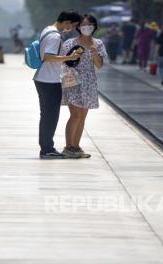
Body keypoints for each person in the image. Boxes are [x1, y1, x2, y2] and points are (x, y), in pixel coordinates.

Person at [33, 10, 81, 159]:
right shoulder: (55, 35)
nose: (71, 29)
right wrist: (69, 57)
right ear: (66, 22)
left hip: (43, 78)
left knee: (46, 115)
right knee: (50, 116)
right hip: (50, 80)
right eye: (72, 26)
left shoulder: (47, 30)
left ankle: (46, 147)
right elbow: (47, 57)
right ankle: (47, 149)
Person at [60, 14, 106, 158]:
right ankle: (68, 147)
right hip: (72, 81)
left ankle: (76, 146)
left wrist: (94, 52)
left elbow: (99, 65)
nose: (87, 27)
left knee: (82, 117)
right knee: (75, 114)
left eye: (90, 24)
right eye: (84, 24)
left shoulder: (98, 44)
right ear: (78, 27)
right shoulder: (69, 43)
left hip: (89, 83)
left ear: (94, 26)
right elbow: (62, 62)